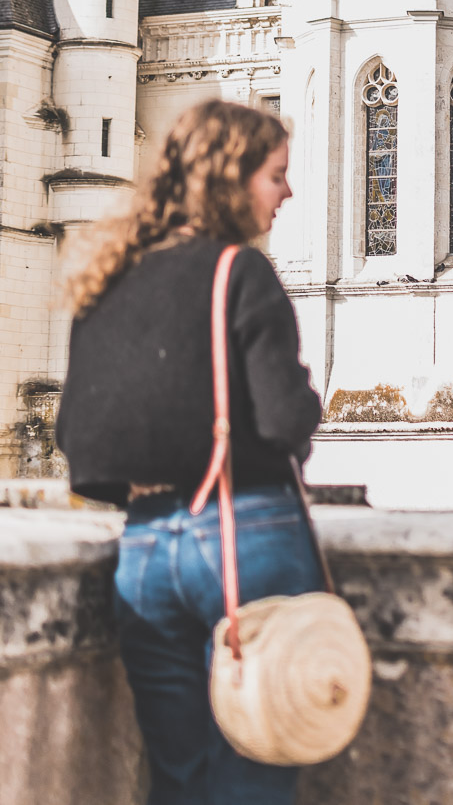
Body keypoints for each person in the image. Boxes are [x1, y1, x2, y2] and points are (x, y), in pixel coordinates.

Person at [56, 99, 322, 805]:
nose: (288, 191)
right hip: (244, 535)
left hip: (144, 553)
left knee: (177, 777)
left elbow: (80, 444)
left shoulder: (107, 277)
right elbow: (285, 422)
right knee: (254, 764)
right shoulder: (240, 272)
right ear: (231, 180)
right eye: (277, 175)